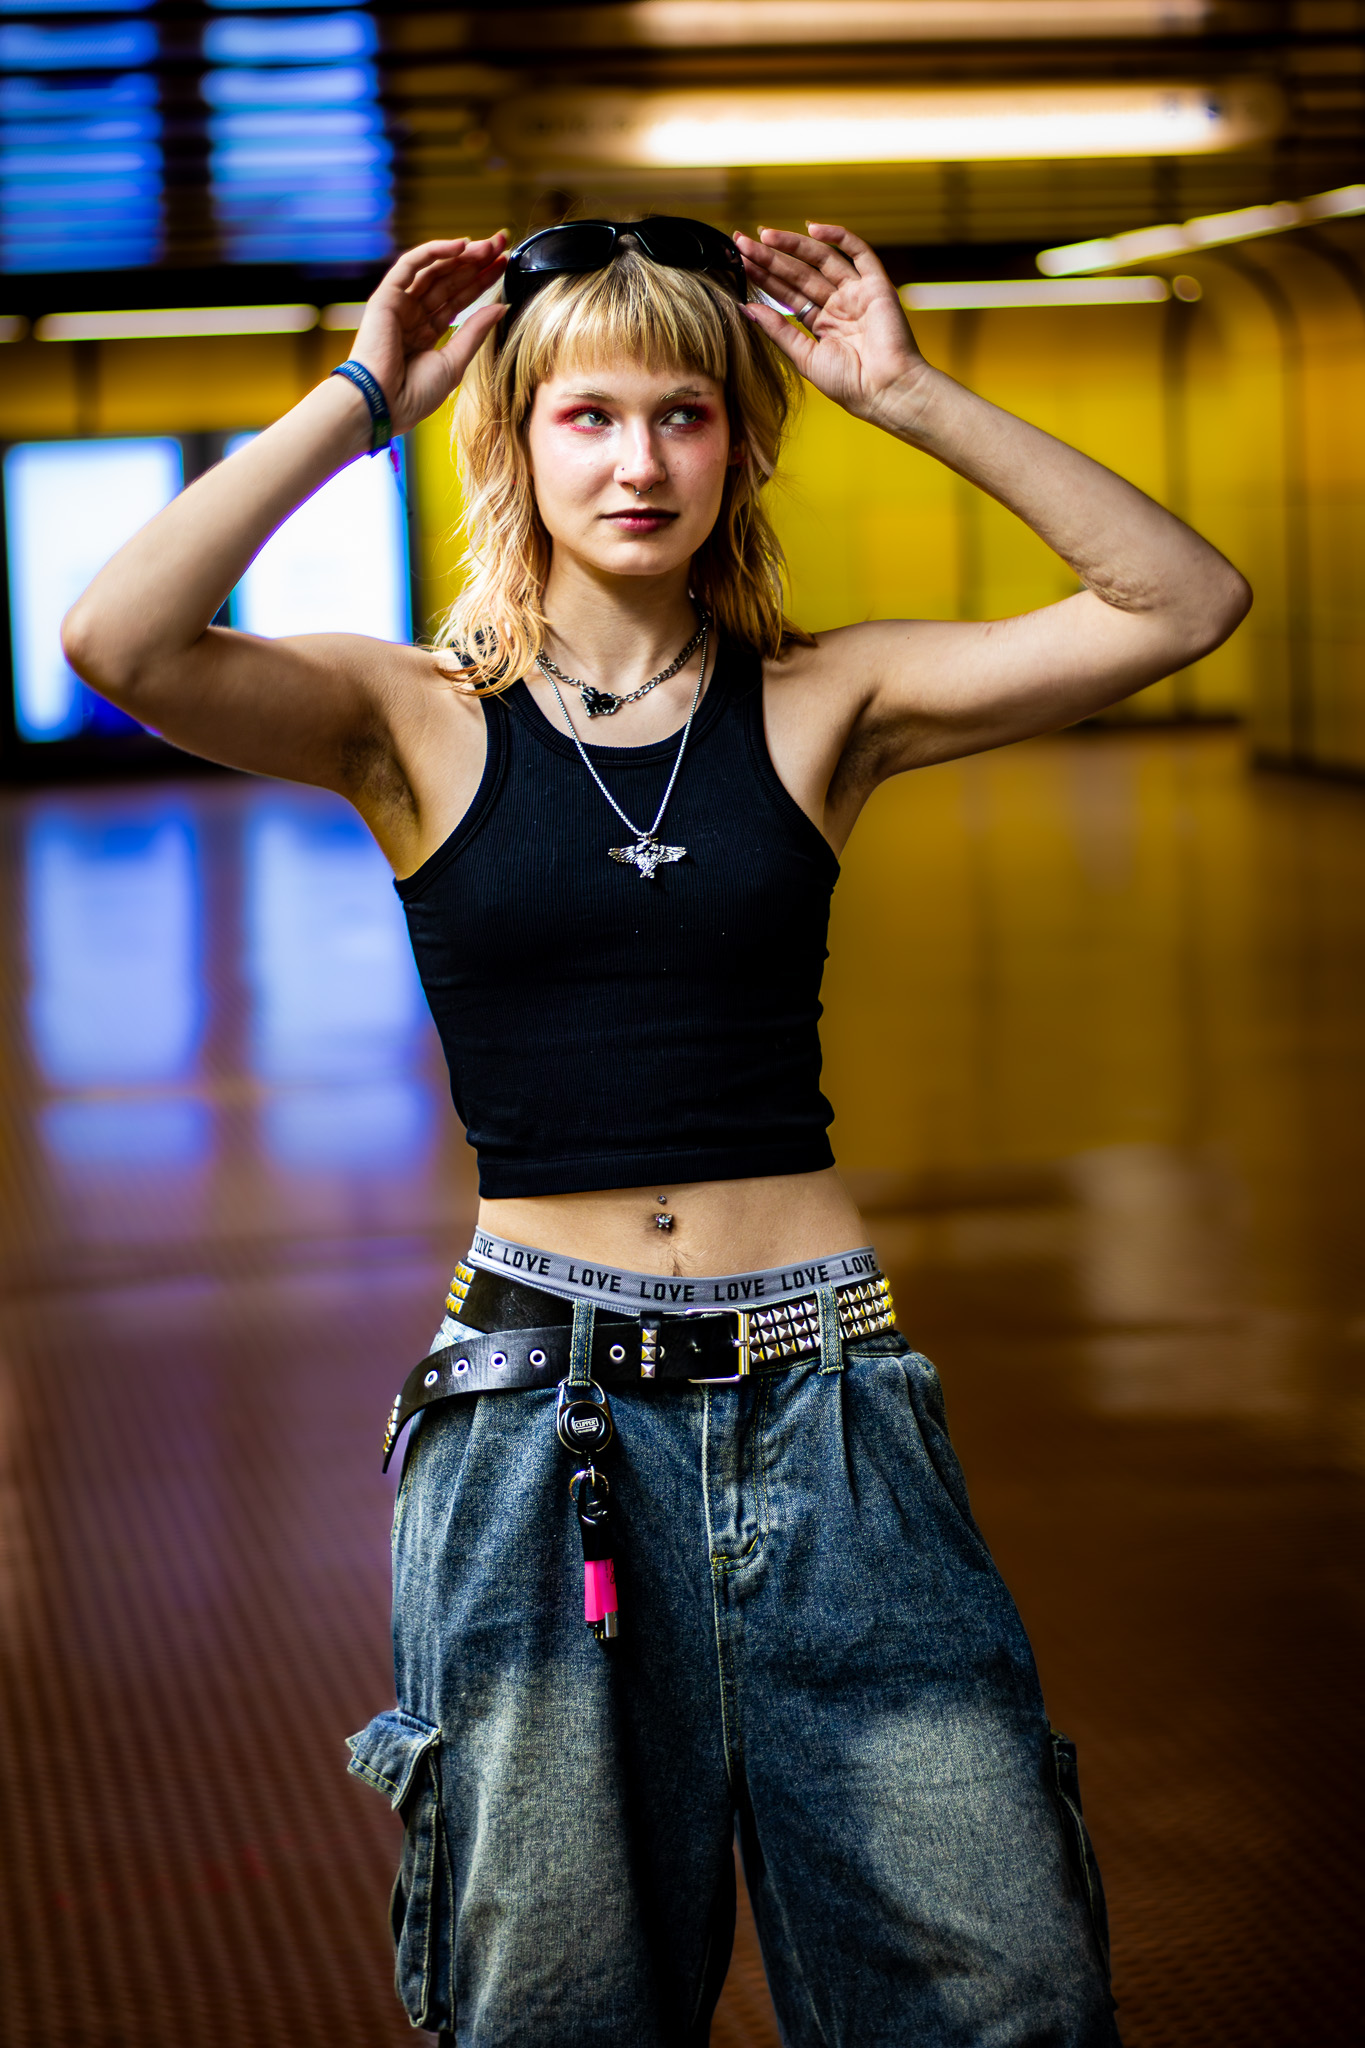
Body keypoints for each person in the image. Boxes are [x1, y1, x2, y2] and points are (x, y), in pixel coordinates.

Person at [63, 216, 1249, 2047]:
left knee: (996, 1989)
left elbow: (1179, 604)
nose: (639, 461)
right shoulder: (411, 719)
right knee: (558, 2003)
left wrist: (908, 396)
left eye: (685, 414)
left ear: (740, 447)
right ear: (516, 442)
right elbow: (117, 636)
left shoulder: (828, 699)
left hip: (828, 1401)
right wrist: (362, 395)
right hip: (541, 1419)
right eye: (589, 416)